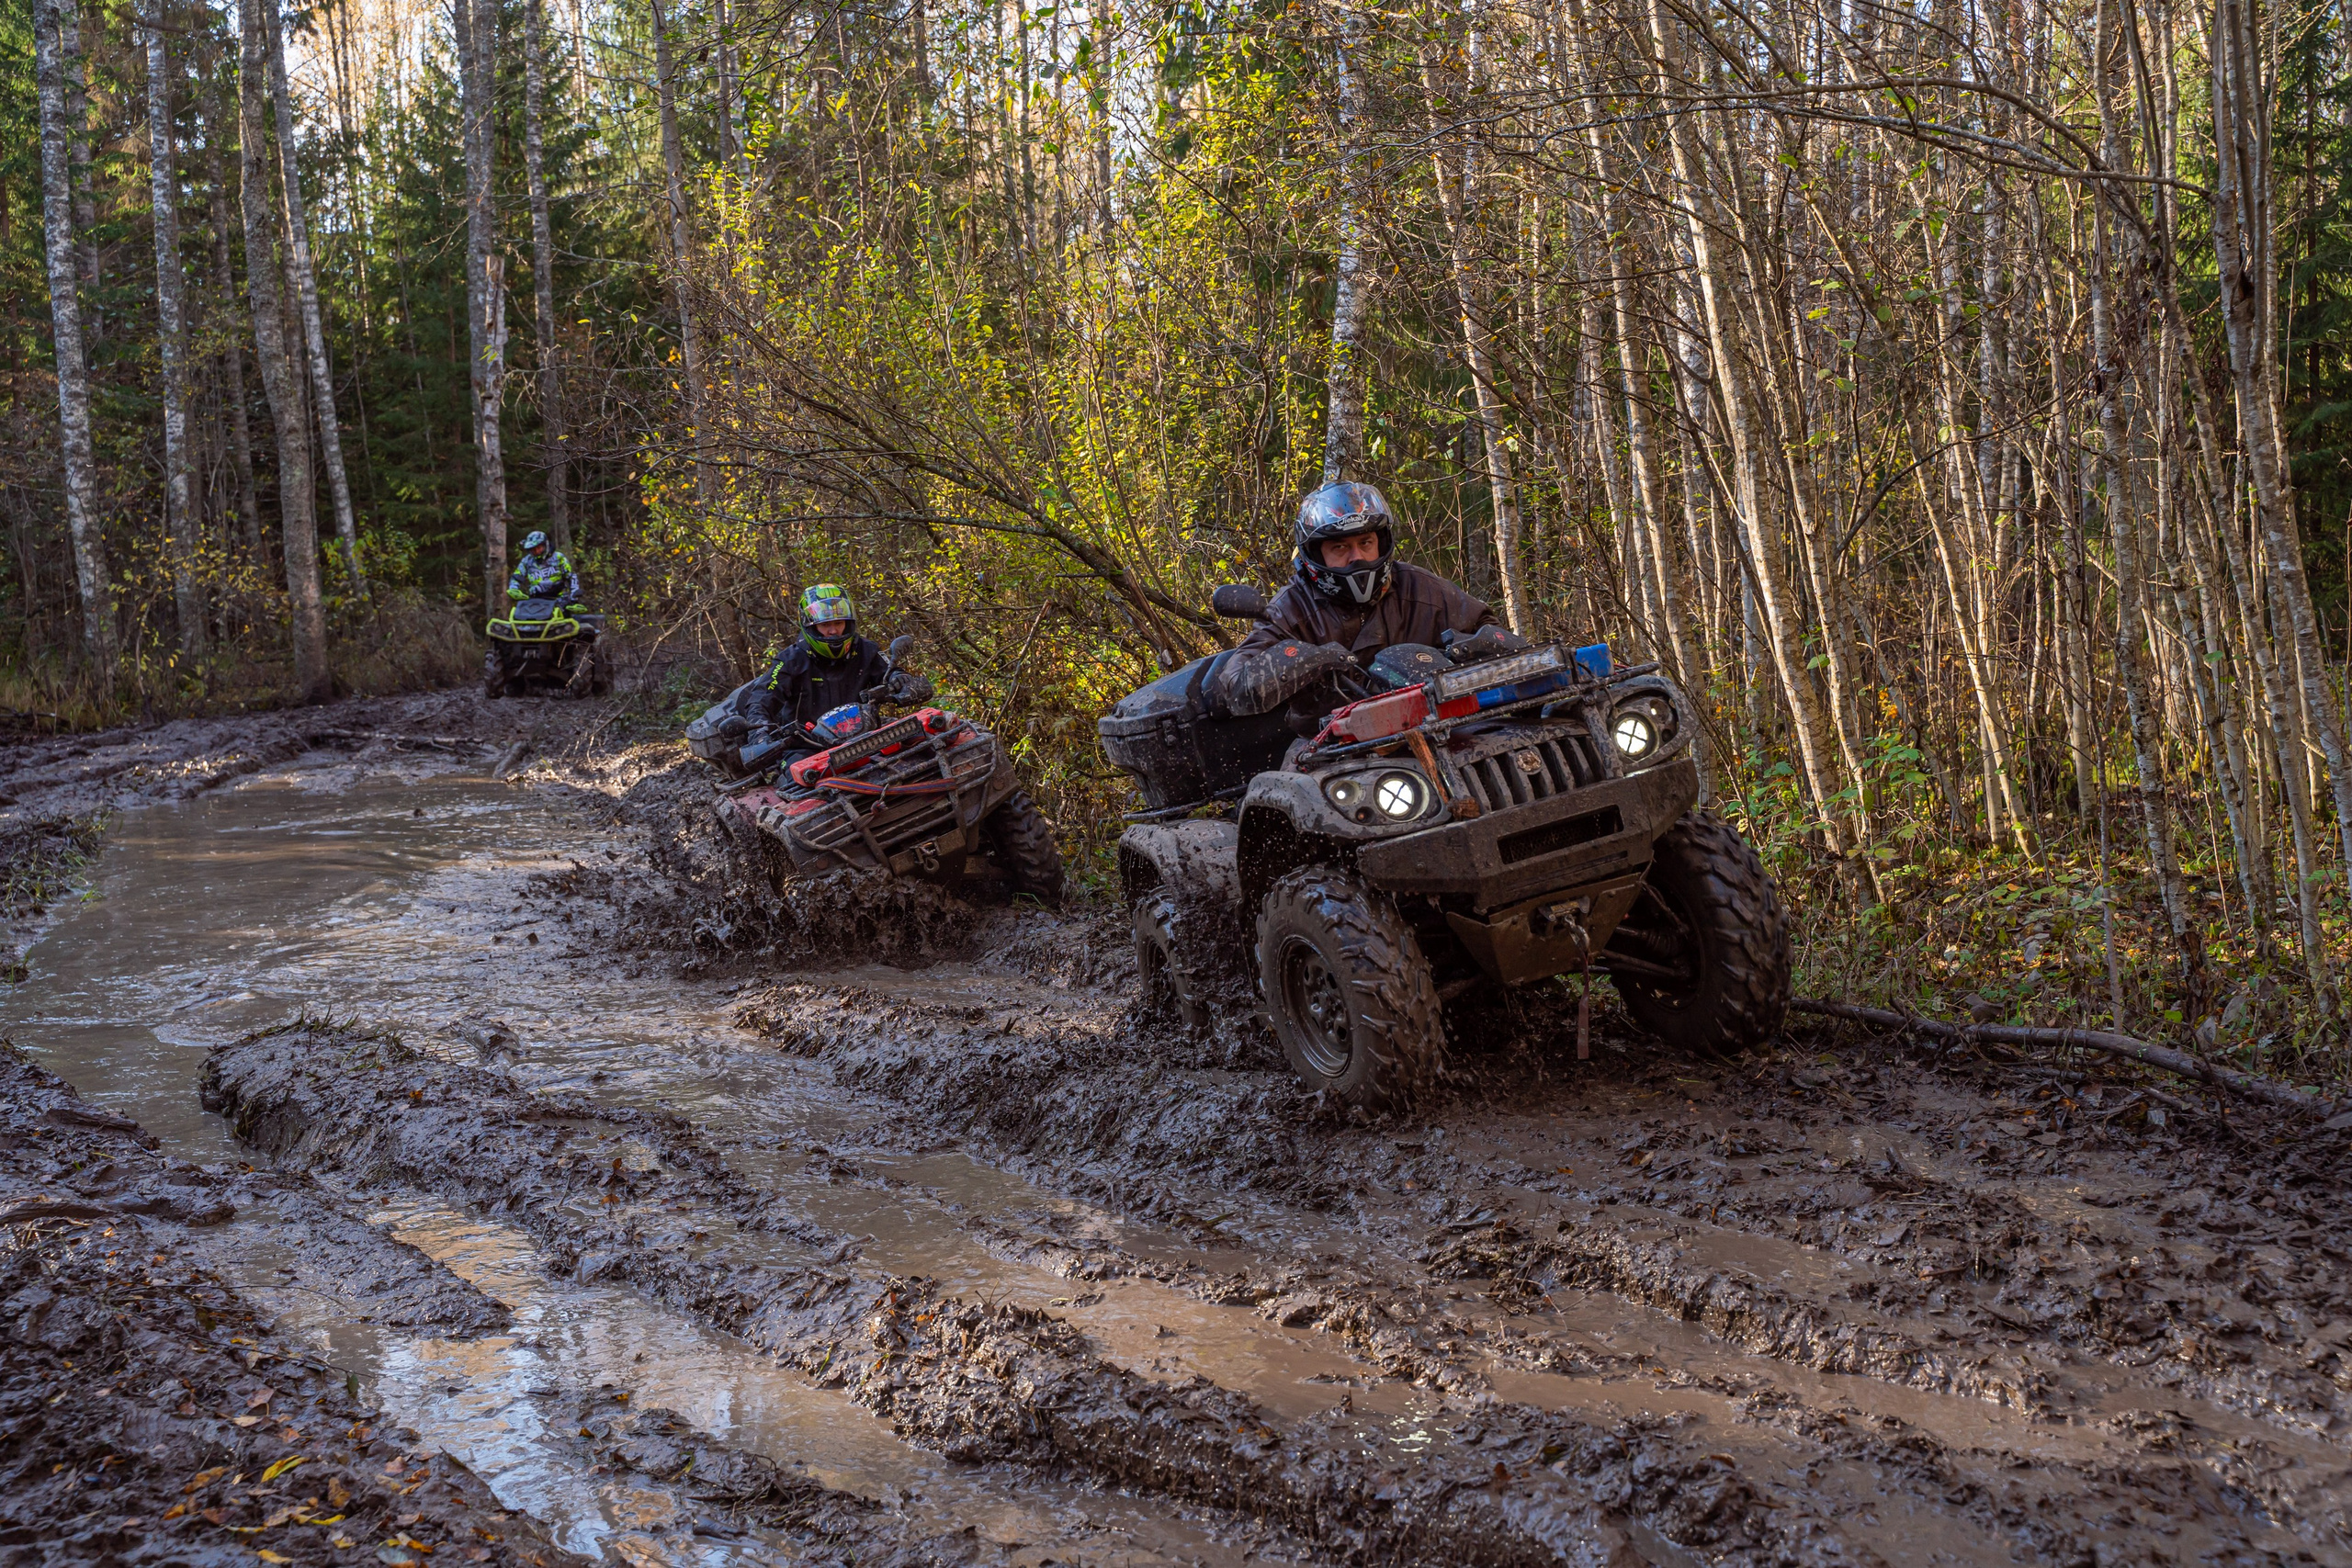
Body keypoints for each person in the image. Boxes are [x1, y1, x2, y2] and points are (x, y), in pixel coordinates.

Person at [1214, 481, 1514, 727]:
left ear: (1380, 542)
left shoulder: (1421, 587)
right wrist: (1297, 662)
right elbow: (1234, 684)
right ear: (1315, 554)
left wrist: (1461, 650)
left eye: (1365, 543)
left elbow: (1490, 631)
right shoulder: (1291, 608)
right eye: (1340, 547)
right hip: (1328, 743)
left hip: (1436, 724)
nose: (1357, 557)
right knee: (1291, 779)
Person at [741, 583, 928, 755]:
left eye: (838, 623)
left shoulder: (867, 650)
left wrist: (900, 678)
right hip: (807, 746)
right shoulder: (790, 660)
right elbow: (760, 700)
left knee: (925, 740)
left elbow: (888, 673)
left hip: (867, 735)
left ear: (848, 622)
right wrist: (760, 733)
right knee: (797, 775)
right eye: (825, 625)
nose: (833, 631)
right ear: (811, 625)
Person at [507, 531, 580, 605]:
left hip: (559, 599)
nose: (537, 551)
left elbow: (571, 576)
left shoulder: (558, 557)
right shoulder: (527, 560)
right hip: (536, 600)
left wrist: (574, 596)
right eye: (533, 549)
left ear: (545, 545)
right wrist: (513, 588)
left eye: (539, 548)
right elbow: (517, 576)